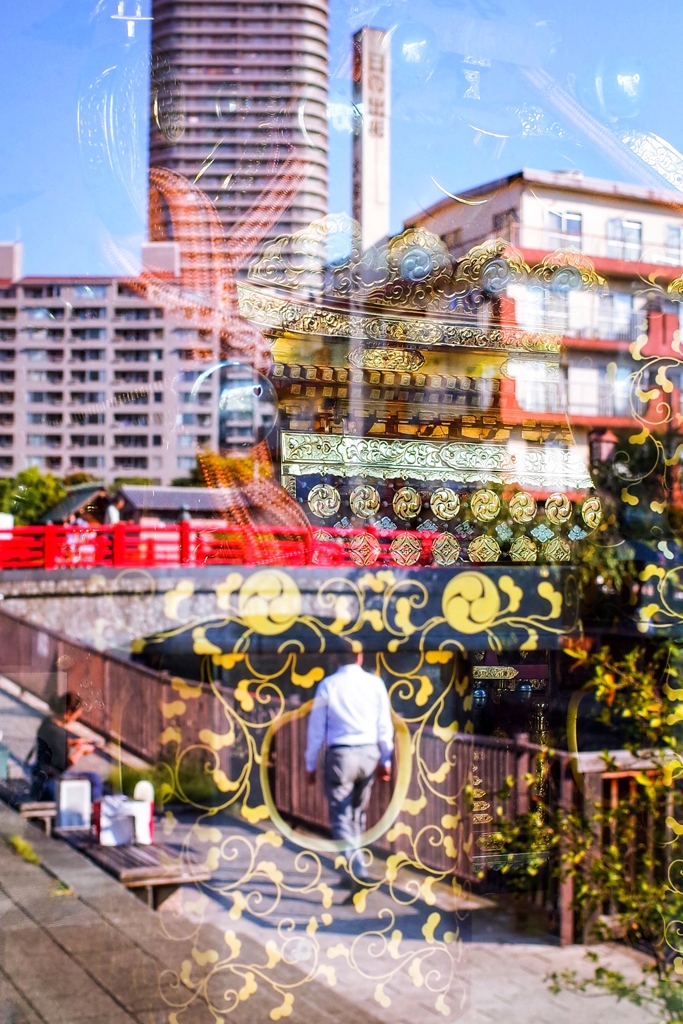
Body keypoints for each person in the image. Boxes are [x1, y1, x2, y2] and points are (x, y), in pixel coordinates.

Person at [304, 652, 394, 886]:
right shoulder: (375, 683)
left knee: (341, 818)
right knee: (357, 813)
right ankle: (352, 873)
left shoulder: (329, 684)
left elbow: (316, 728)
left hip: (341, 755)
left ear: (337, 658)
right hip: (368, 754)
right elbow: (384, 724)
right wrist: (386, 759)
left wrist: (310, 763)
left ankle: (357, 870)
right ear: (360, 657)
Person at [30, 692, 104, 802]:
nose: (74, 720)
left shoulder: (48, 722)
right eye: (75, 717)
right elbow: (63, 765)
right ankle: (94, 814)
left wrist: (73, 742)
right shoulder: (59, 733)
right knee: (95, 779)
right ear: (68, 713)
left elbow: (51, 741)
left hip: (40, 778)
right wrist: (81, 751)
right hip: (51, 785)